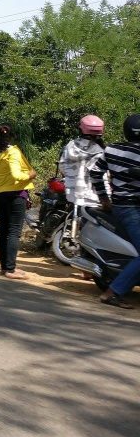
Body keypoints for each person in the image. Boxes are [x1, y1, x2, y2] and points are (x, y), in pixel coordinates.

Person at [88, 113, 140, 309]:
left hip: (119, 206)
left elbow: (95, 171)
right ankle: (112, 292)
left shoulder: (112, 149)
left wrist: (103, 197)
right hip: (131, 209)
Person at [0, 125, 37, 279]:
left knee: (3, 229)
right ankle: (11, 269)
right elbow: (17, 175)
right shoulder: (13, 151)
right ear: (11, 137)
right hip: (16, 194)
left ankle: (5, 267)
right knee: (14, 231)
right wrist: (30, 175)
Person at [59, 115, 105, 207]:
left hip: (71, 193)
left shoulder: (70, 145)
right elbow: (101, 176)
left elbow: (62, 167)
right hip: (92, 197)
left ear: (81, 130)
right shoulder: (101, 151)